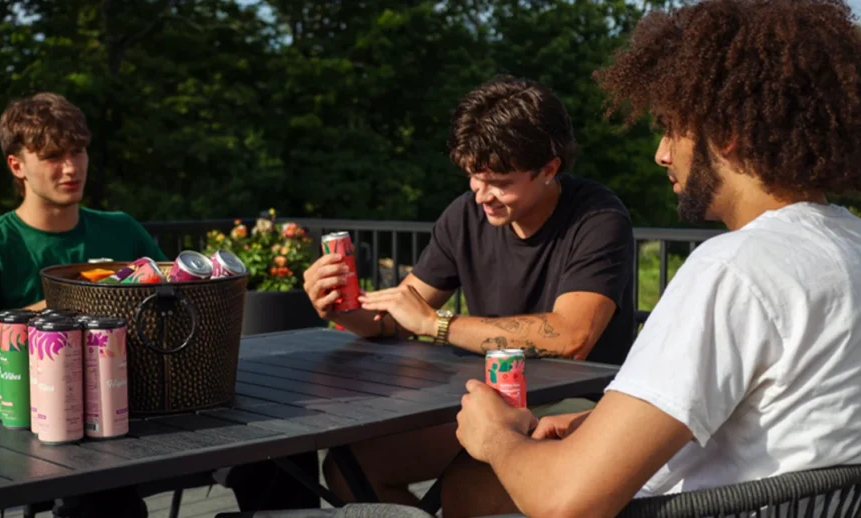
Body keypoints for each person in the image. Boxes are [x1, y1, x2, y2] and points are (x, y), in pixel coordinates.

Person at [449, 0, 861, 516]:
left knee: (466, 484)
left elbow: (564, 502)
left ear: (725, 132)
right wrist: (597, 426)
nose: (662, 153)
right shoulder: (849, 246)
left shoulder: (735, 269)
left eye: (672, 127)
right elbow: (784, 420)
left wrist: (495, 437)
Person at [302, 75, 637, 505]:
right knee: (353, 470)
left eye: (499, 181)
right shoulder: (465, 216)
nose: (483, 196)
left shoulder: (597, 217)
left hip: (577, 407)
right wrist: (340, 308)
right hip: (487, 402)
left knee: (468, 489)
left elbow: (573, 336)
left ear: (549, 168)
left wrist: (437, 324)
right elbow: (396, 320)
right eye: (473, 178)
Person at [0, 92, 167, 373]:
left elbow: (178, 305)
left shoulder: (123, 229)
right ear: (16, 165)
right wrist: (61, 307)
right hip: (17, 410)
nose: (72, 168)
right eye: (53, 156)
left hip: (127, 400)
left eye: (77, 151)